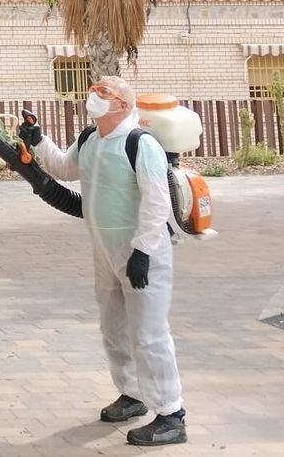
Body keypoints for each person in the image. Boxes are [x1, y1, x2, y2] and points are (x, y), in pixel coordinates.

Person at [17, 75, 188, 447]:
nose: (93, 94)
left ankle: (171, 414)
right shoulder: (90, 140)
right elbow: (64, 169)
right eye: (93, 88)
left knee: (149, 334)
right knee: (113, 328)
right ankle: (132, 394)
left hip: (143, 253)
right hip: (105, 250)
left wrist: (142, 251)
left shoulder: (140, 144)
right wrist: (39, 141)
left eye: (103, 91)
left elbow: (157, 200)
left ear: (123, 105)